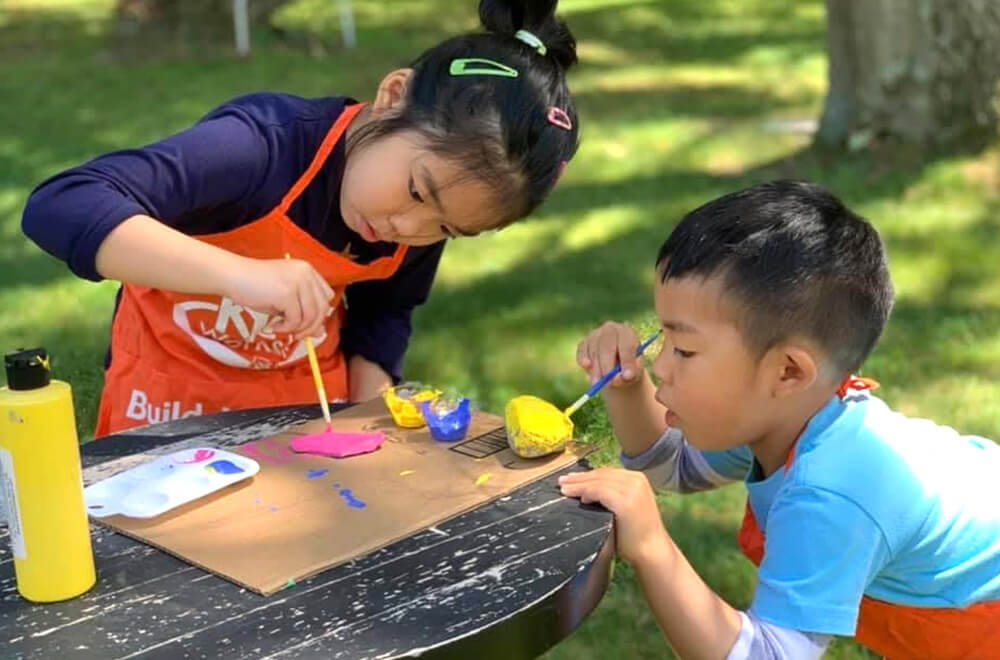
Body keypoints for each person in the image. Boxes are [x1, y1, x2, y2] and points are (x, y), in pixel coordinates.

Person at [22, 0, 579, 436]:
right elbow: (64, 203)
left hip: (300, 419)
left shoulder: (421, 217)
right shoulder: (257, 149)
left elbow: (385, 310)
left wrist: (372, 408)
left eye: (449, 229)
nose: (411, 230)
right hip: (163, 409)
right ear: (392, 95)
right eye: (415, 191)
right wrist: (240, 276)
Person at [560, 180, 1000, 659]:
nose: (660, 366)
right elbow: (675, 466)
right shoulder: (786, 415)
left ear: (789, 371)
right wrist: (626, 388)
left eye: (684, 349)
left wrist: (651, 547)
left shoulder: (831, 494)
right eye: (662, 342)